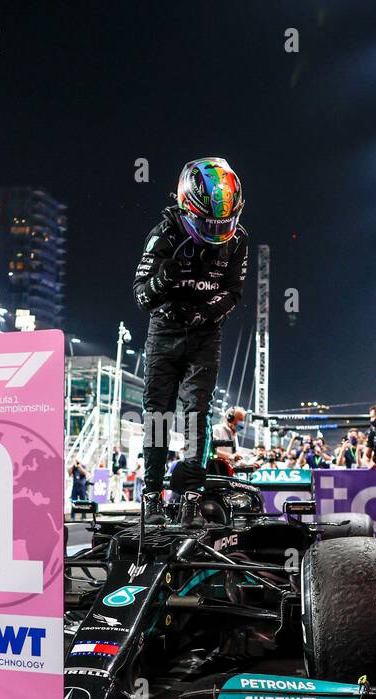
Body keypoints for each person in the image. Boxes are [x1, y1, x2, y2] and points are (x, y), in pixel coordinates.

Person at [134, 157, 248, 527]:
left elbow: (233, 292)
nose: (217, 230)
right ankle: (151, 496)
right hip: (164, 332)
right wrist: (164, 279)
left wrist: (204, 314)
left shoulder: (239, 240)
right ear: (187, 205)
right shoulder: (162, 235)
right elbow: (141, 296)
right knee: (157, 413)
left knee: (197, 412)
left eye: (223, 223)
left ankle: (191, 498)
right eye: (209, 222)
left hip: (205, 332)